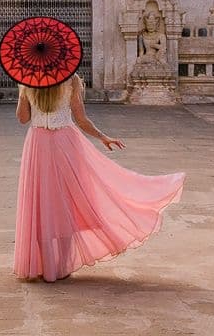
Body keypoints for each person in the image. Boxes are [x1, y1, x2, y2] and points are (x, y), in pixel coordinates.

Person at [13, 73, 185, 282]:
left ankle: (41, 265)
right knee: (67, 201)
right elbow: (81, 118)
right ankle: (62, 265)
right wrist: (102, 137)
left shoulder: (28, 79)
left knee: (40, 202)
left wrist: (23, 92)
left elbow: (22, 119)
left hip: (38, 143)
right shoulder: (71, 79)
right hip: (66, 143)